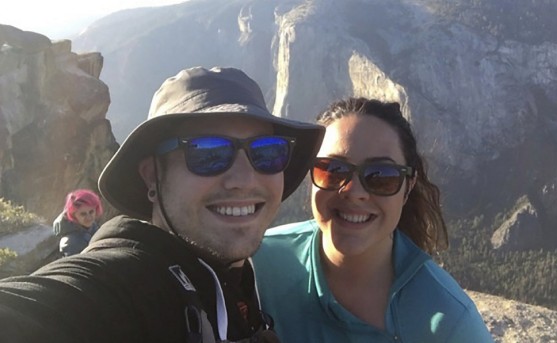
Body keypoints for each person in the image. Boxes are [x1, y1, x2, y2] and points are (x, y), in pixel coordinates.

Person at [0, 66, 325, 343]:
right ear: (152, 176)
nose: (243, 178)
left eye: (268, 151)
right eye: (208, 153)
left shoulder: (243, 282)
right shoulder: (124, 285)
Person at [253, 97, 494, 342]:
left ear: (407, 188)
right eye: (333, 170)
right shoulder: (258, 265)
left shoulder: (449, 324)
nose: (354, 193)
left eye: (381, 176)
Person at [52, 189, 103, 257]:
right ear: (73, 215)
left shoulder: (90, 226)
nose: (89, 217)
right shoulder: (70, 243)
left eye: (91, 212)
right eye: (83, 214)